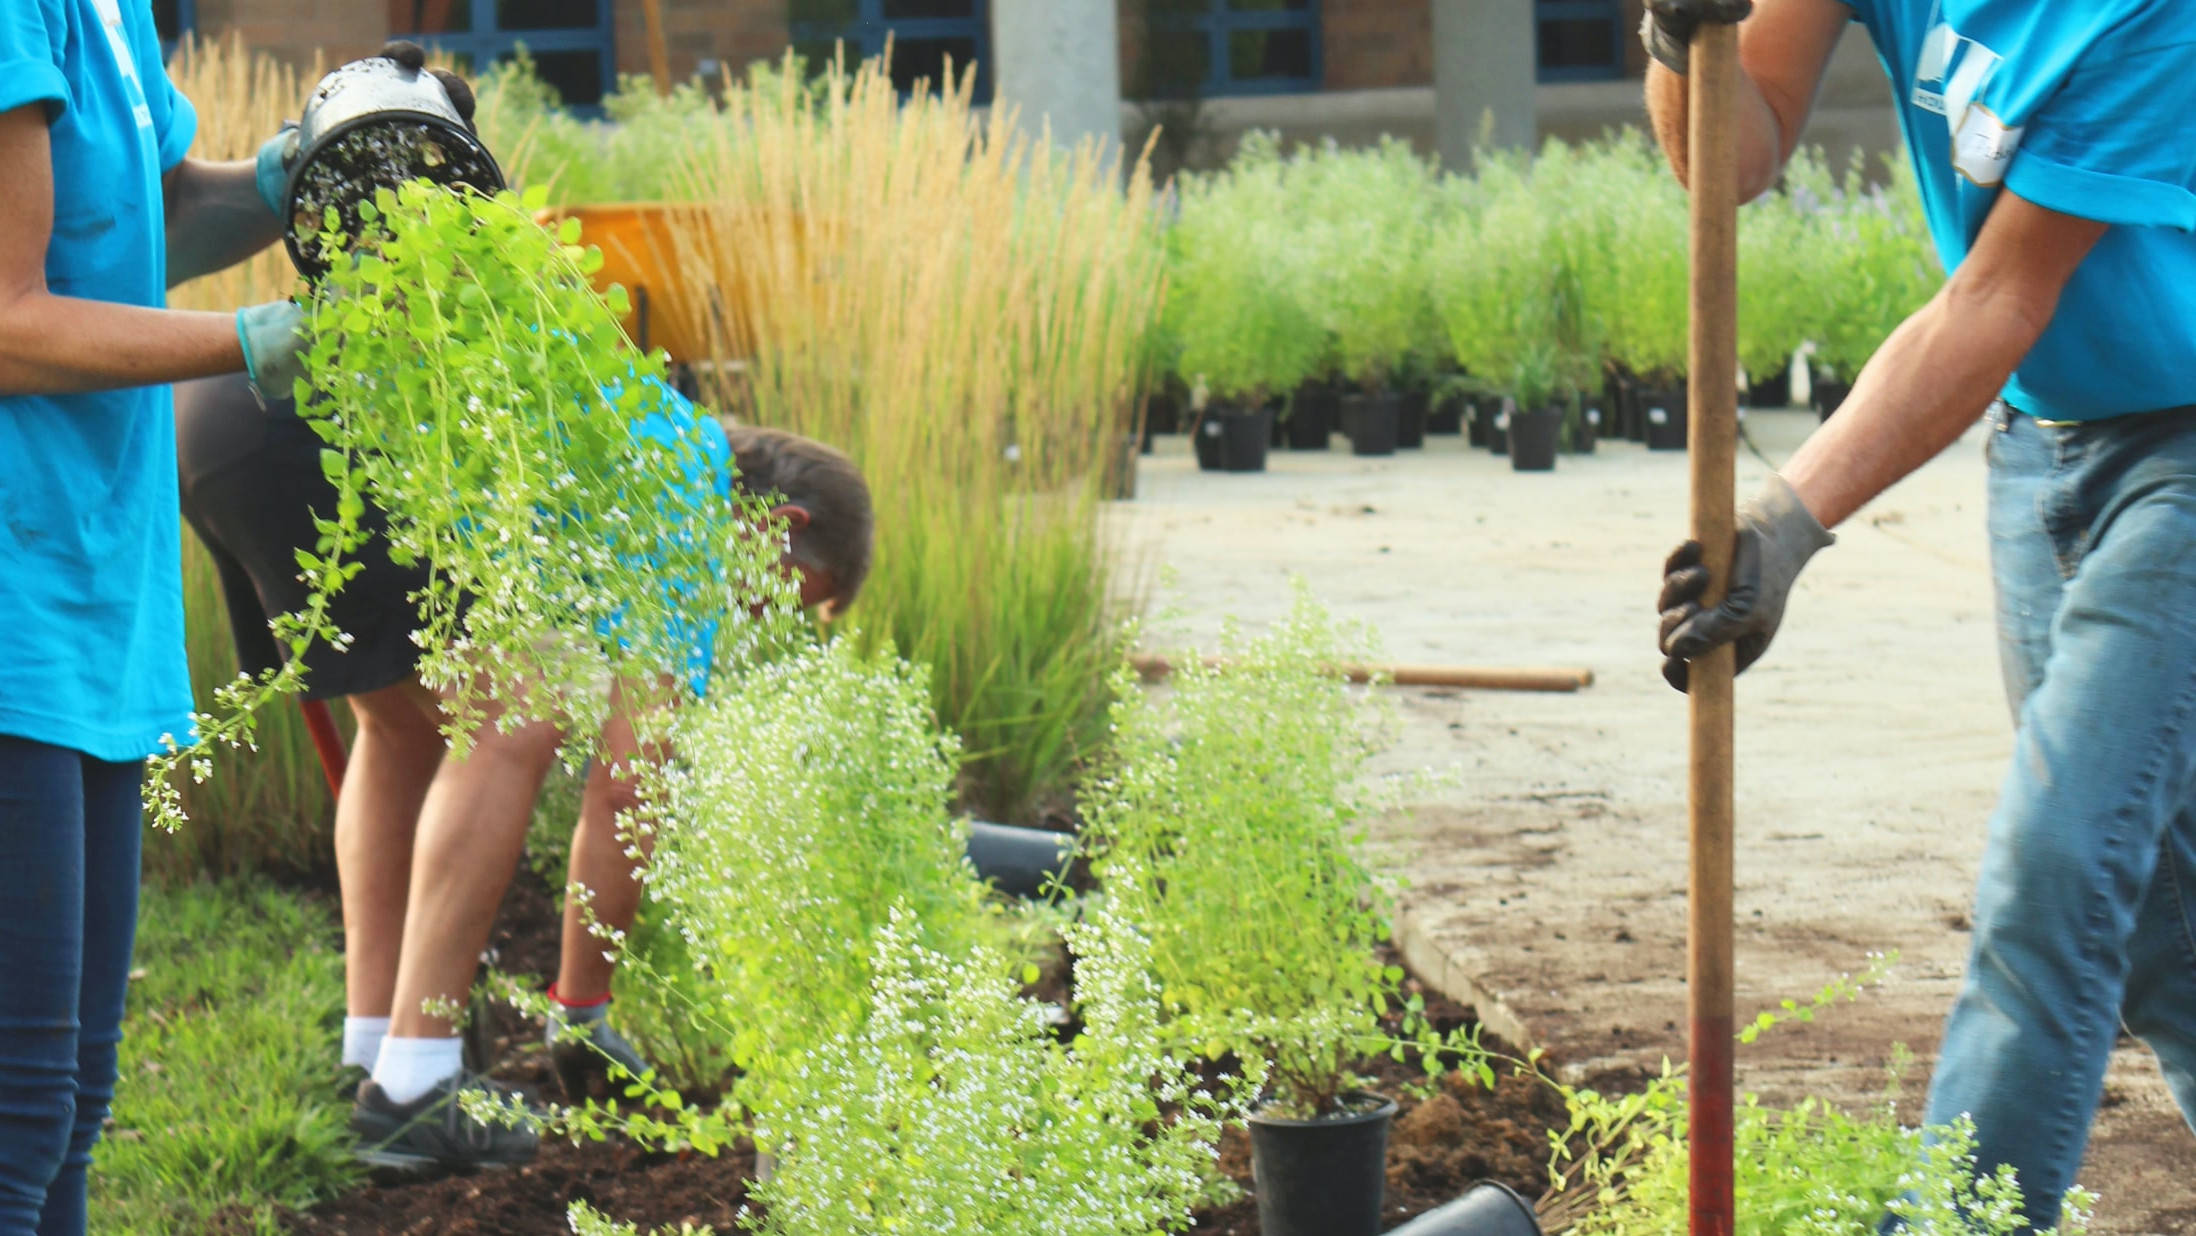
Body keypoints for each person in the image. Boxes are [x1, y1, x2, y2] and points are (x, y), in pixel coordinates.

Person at [1642, 0, 2196, 1229]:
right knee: (2165, 925)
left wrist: (1788, 524)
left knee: (2058, 872)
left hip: (2183, 451)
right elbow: (1726, 158)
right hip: (2045, 449)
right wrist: (1679, 40)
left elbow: (1999, 295)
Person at [175, 367, 874, 1172]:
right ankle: (416, 1090)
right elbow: (626, 789)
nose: (752, 614)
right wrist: (581, 1011)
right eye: (781, 591)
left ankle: (375, 1062)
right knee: (525, 701)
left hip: (226, 407)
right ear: (774, 523)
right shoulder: (684, 491)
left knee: (401, 730)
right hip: (316, 429)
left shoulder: (642, 423)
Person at [0, 3, 326, 1228]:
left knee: (72, 1099)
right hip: (14, 592)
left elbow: (154, 217)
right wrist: (253, 340)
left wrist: (303, 169)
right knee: (17, 1111)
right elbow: (8, 320)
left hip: (91, 581)